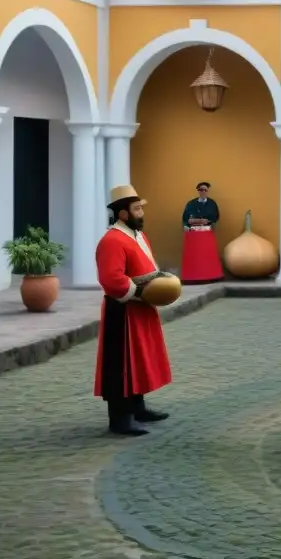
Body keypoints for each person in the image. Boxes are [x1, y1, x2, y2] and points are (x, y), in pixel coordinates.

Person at [94, 185, 173, 436]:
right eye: (136, 209)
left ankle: (137, 408)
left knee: (139, 359)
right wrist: (140, 293)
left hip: (142, 307)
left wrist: (161, 281)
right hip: (123, 310)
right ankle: (119, 418)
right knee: (121, 363)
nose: (141, 213)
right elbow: (112, 279)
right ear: (123, 214)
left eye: (141, 208)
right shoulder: (112, 241)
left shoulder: (138, 236)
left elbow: (148, 266)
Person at [179, 181, 223, 284]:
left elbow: (216, 216)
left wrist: (207, 221)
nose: (203, 192)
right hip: (194, 233)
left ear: (207, 191)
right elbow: (185, 217)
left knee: (207, 255)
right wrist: (187, 224)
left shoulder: (212, 203)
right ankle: (192, 276)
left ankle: (210, 276)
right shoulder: (191, 204)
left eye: (205, 190)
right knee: (195, 256)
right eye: (201, 190)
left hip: (206, 232)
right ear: (198, 191)